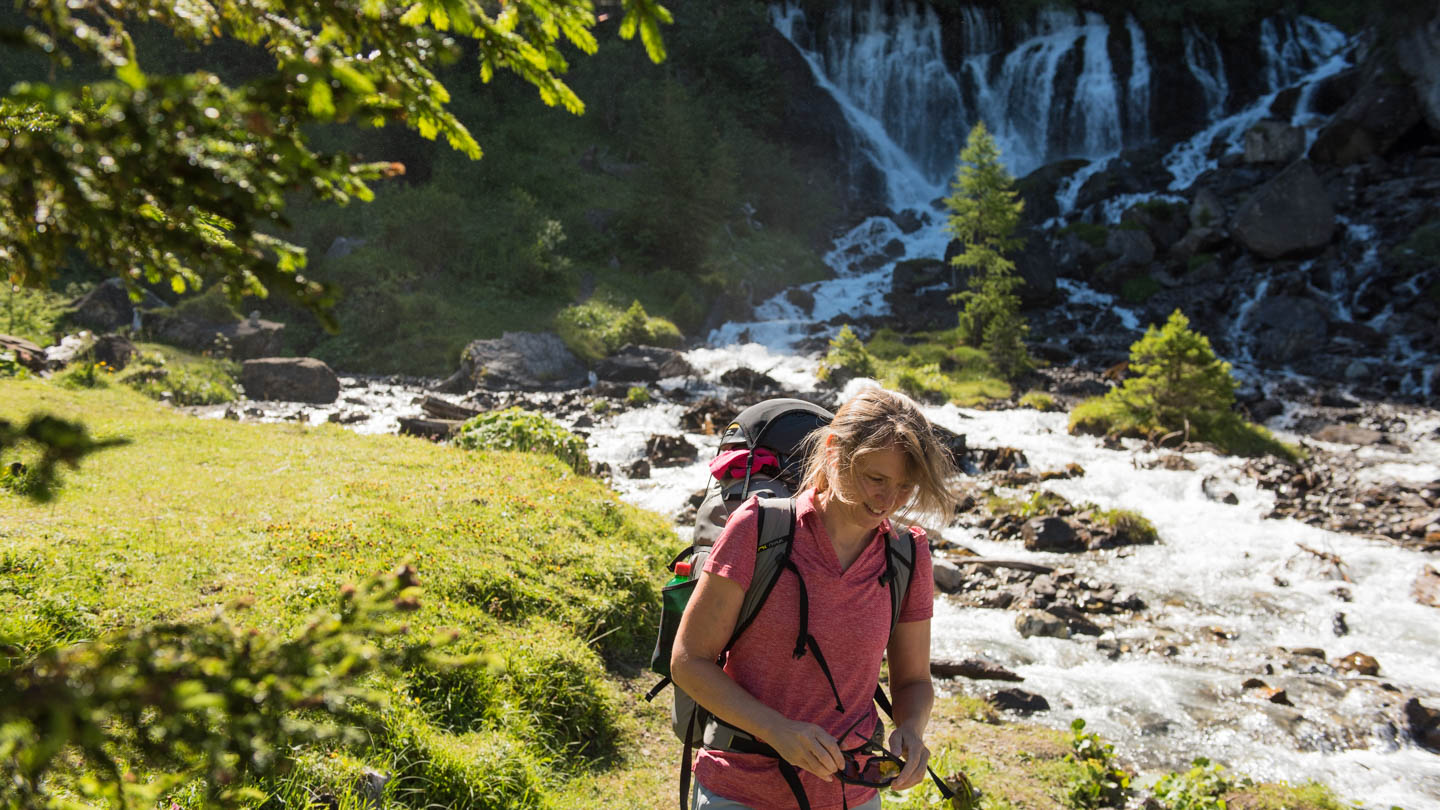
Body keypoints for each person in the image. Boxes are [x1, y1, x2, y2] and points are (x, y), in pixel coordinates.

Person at [671, 386, 959, 810]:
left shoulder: (907, 554)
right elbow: (688, 661)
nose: (888, 501)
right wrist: (777, 730)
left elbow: (913, 681)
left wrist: (912, 730)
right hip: (741, 789)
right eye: (875, 479)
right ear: (834, 451)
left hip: (853, 795)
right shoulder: (758, 530)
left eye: (905, 486)